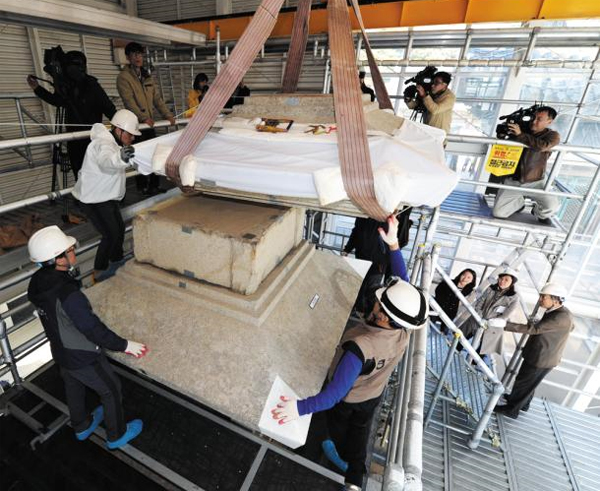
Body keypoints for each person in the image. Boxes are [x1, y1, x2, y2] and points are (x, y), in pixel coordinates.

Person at [271, 216, 428, 491]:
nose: (375, 300)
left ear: (384, 317)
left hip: (349, 398)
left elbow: (333, 396)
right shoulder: (404, 327)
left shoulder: (360, 347)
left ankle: (334, 452)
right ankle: (355, 481)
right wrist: (393, 245)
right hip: (374, 393)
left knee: (338, 426)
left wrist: (297, 408)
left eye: (379, 303)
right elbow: (403, 284)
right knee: (360, 432)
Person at [27, 225, 147, 449]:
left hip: (60, 351)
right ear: (57, 259)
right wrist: (124, 345)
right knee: (111, 389)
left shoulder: (37, 282)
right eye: (69, 249)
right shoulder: (67, 293)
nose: (74, 251)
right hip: (83, 355)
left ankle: (81, 426)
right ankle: (116, 435)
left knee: (73, 385)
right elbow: (91, 328)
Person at [72, 109, 140, 282]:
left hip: (105, 197)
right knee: (110, 234)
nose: (132, 138)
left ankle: (117, 261)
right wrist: (121, 158)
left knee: (119, 229)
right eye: (130, 134)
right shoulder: (103, 144)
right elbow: (107, 161)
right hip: (93, 199)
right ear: (119, 130)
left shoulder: (114, 145)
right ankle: (99, 271)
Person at [27, 51, 116, 179]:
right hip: (74, 140)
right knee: (80, 175)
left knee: (97, 175)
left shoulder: (92, 86)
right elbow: (57, 101)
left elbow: (109, 109)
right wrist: (37, 88)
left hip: (92, 139)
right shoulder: (67, 86)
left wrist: (122, 129)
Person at [493, 282, 573, 419]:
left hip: (541, 358)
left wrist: (504, 325)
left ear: (555, 299)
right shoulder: (562, 313)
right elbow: (569, 327)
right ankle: (523, 404)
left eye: (544, 297)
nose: (540, 299)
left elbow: (534, 329)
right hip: (542, 356)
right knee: (530, 383)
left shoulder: (559, 318)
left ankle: (511, 410)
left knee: (523, 382)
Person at [117, 42, 175, 195]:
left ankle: (154, 185)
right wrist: (143, 118)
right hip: (137, 125)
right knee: (139, 155)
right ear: (128, 57)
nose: (138, 57)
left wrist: (167, 114)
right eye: (134, 54)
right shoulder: (123, 78)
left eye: (140, 54)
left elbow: (157, 99)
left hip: (149, 123)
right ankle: (142, 187)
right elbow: (129, 101)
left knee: (153, 153)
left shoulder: (147, 76)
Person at [492, 106, 561, 225]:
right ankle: (519, 203)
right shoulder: (523, 128)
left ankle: (538, 213)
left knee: (551, 206)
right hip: (513, 180)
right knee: (498, 213)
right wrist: (506, 130)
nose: (534, 121)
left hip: (536, 181)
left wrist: (520, 135)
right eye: (533, 117)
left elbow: (542, 146)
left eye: (539, 119)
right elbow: (503, 139)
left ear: (549, 121)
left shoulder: (552, 135)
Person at [342, 211, 412, 316]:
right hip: (364, 257)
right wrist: (347, 248)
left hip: (378, 262)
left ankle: (364, 311)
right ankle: (361, 310)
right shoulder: (366, 213)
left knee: (370, 289)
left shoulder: (391, 218)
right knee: (362, 286)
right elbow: (356, 231)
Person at [456, 267, 519, 356]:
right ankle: (456, 348)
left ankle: (476, 359)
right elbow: (480, 302)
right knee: (464, 333)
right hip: (479, 317)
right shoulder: (490, 288)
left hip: (494, 323)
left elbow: (507, 314)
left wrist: (491, 322)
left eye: (506, 280)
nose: (502, 281)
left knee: (485, 345)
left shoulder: (514, 297)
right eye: (501, 278)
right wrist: (480, 316)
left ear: (512, 282)